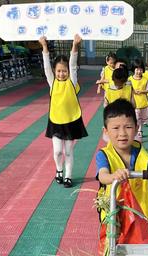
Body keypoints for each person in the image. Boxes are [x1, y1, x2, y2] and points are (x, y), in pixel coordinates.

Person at [96, 99, 148, 255]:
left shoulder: (141, 153)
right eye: (115, 128)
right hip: (114, 215)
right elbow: (103, 176)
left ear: (136, 128)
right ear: (106, 132)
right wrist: (113, 176)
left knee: (138, 248)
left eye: (128, 127)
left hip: (139, 212)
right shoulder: (104, 155)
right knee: (113, 250)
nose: (122, 133)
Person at [39, 35, 88, 188]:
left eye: (64, 71)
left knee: (68, 152)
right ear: (55, 71)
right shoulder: (52, 82)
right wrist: (44, 47)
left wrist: (75, 45)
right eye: (59, 71)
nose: (61, 73)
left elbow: (73, 64)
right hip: (56, 121)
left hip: (71, 121)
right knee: (58, 151)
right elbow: (46, 67)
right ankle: (59, 170)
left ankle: (68, 176)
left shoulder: (72, 82)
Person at [128, 59, 148, 140]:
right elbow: (127, 89)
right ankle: (134, 130)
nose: (139, 71)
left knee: (141, 119)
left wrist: (142, 91)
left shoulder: (145, 80)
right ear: (133, 69)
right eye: (137, 69)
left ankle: (139, 131)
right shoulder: (130, 79)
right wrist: (132, 90)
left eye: (140, 69)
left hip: (143, 103)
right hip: (133, 103)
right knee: (135, 118)